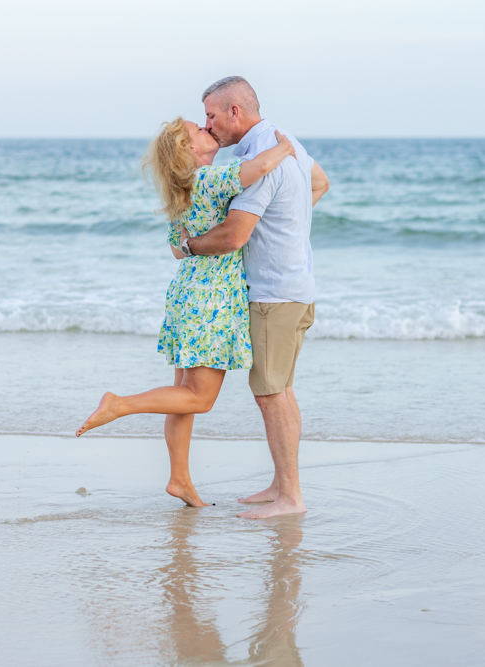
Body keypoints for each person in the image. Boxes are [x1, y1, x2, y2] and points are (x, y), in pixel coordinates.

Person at [75, 117, 297, 510]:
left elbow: (178, 248)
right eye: (199, 129)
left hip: (186, 292)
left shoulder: (181, 194)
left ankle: (180, 479)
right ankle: (119, 404)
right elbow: (260, 168)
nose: (207, 129)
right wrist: (286, 147)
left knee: (182, 394)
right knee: (199, 399)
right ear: (190, 152)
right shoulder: (211, 180)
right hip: (211, 299)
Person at [186, 76, 330, 519]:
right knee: (279, 390)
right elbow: (320, 183)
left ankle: (291, 498)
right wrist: (286, 220)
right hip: (296, 289)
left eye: (211, 115)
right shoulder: (285, 142)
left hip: (272, 295)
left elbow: (232, 237)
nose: (207, 125)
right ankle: (281, 485)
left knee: (270, 394)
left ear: (235, 112)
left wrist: (188, 245)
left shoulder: (259, 162)